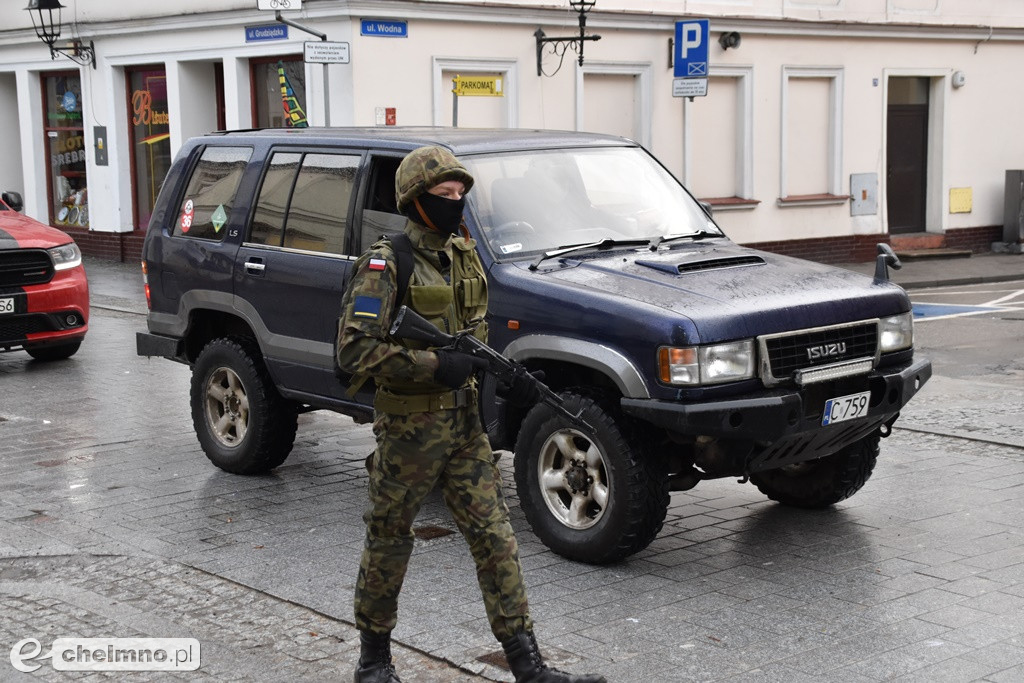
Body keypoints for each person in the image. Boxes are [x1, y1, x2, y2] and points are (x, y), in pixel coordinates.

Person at [336, 146, 606, 683]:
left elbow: (475, 342)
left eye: (460, 195)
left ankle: (529, 666)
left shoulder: (464, 256)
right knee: (390, 536)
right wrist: (434, 365)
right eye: (444, 196)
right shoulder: (387, 263)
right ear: (416, 201)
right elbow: (352, 352)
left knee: (495, 539)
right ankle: (373, 661)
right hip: (410, 432)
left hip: (464, 430)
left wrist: (509, 379)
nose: (456, 204)